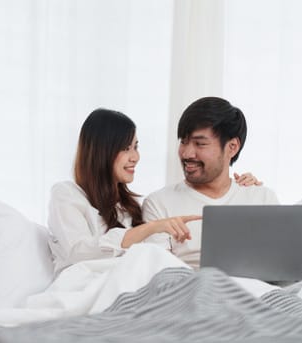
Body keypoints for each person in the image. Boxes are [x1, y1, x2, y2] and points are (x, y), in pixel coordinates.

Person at [47, 108, 261, 275]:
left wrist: (246, 190)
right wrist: (149, 229)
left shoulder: (128, 208)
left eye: (136, 147)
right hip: (79, 291)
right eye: (125, 148)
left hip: (122, 294)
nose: (135, 157)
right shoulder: (66, 194)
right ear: (101, 151)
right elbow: (77, 252)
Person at [143, 97, 279, 269]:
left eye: (200, 144)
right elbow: (163, 276)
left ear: (232, 147)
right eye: (183, 142)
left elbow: (277, 268)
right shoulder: (158, 204)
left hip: (258, 291)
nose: (187, 153)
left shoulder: (262, 198)